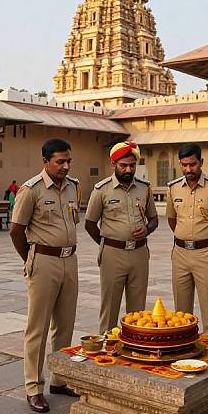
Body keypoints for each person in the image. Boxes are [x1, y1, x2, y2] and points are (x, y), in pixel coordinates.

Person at [10, 139, 80, 413]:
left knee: (65, 326)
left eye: (68, 161)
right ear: (46, 161)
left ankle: (60, 379)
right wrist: (31, 258)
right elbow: (17, 230)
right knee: (36, 328)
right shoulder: (32, 190)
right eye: (60, 161)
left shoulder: (74, 187)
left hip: (69, 260)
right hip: (43, 261)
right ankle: (33, 387)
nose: (65, 166)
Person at [85, 141, 158, 334]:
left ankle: (135, 348)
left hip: (139, 254)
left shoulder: (144, 188)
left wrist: (147, 230)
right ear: (114, 164)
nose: (128, 169)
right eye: (123, 165)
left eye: (132, 165)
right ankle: (107, 351)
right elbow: (90, 224)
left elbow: (154, 219)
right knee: (109, 307)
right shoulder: (102, 190)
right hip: (113, 255)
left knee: (138, 310)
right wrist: (107, 243)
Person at [166, 143, 208, 336]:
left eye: (192, 164)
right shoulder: (174, 188)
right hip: (180, 254)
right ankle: (184, 346)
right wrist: (185, 238)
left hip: (206, 254)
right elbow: (172, 220)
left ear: (201, 162)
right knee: (181, 310)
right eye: (184, 165)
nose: (188, 169)